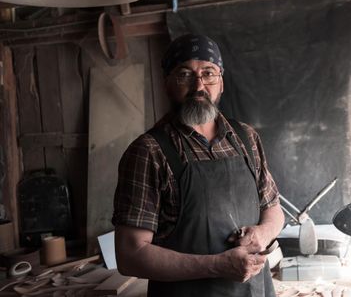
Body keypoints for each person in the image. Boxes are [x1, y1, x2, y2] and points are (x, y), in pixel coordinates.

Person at [112, 34, 284, 297]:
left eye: (208, 73)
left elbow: (273, 210)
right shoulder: (148, 152)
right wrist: (217, 266)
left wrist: (262, 233)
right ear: (167, 83)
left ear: (221, 82)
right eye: (184, 75)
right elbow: (130, 254)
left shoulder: (246, 138)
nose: (198, 86)